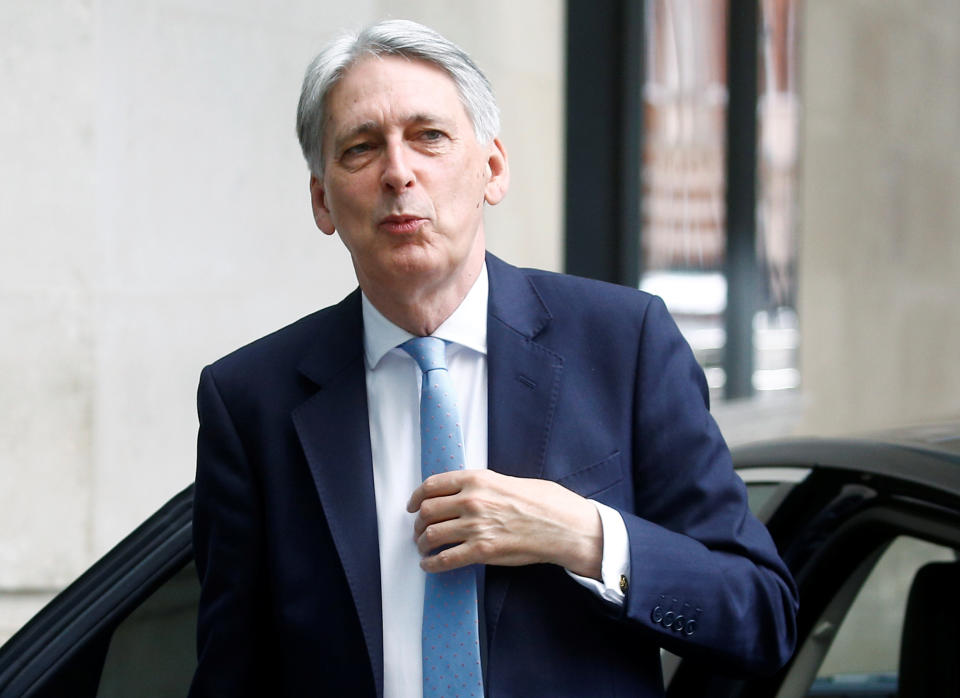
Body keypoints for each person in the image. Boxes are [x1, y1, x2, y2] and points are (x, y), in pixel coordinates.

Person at [189, 19, 797, 698]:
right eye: (361, 148)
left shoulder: (624, 344)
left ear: (492, 169)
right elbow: (230, 673)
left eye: (430, 137)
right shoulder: (251, 400)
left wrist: (583, 533)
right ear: (322, 201)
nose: (399, 171)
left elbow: (761, 615)